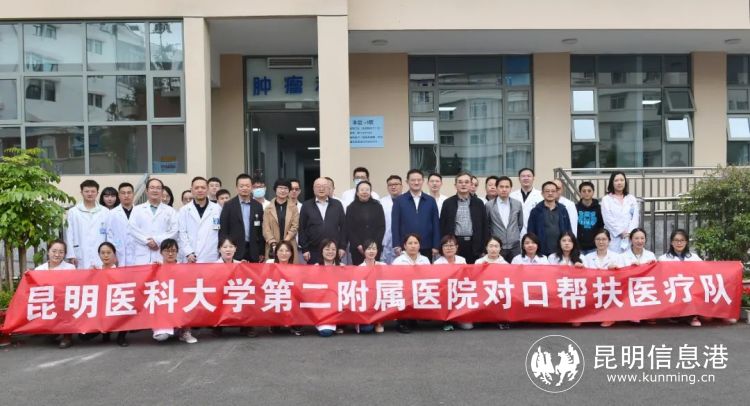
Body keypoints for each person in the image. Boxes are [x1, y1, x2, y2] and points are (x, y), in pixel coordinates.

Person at [658, 229, 715, 327]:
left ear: (686, 242)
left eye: (682, 240)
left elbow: (707, 270)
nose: (679, 243)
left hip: (690, 288)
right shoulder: (663, 258)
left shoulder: (694, 257)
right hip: (673, 289)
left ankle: (691, 316)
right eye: (676, 240)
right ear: (671, 242)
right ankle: (676, 315)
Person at [152, 239, 197, 344]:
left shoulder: (183, 268)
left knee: (189, 301)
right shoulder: (155, 266)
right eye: (167, 251)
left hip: (179, 303)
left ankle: (185, 331)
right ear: (161, 252)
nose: (170, 254)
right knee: (161, 337)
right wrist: (154, 269)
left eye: (173, 251)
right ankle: (173, 330)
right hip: (162, 305)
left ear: (177, 252)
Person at [391, 169, 440, 262]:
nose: (416, 182)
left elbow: (436, 224)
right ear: (407, 182)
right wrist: (396, 244)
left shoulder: (430, 200)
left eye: (419, 180)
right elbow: (395, 224)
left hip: (427, 245)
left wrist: (436, 245)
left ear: (423, 181)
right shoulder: (399, 200)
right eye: (413, 180)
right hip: (406, 245)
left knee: (425, 270)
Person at [34, 240, 76, 348]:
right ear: (48, 251)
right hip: (47, 300)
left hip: (63, 300)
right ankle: (52, 331)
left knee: (66, 303)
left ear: (64, 254)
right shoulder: (39, 269)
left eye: (61, 252)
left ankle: (67, 336)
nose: (57, 255)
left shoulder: (70, 268)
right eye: (54, 251)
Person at [86, 242, 128, 347]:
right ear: (99, 254)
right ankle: (105, 332)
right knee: (83, 337)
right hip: (100, 306)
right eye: (103, 253)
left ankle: (121, 336)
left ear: (114, 254)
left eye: (109, 253)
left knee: (126, 308)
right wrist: (89, 274)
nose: (105, 255)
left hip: (116, 304)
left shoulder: (121, 271)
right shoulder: (95, 270)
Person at [439, 172, 487, 264]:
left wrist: (484, 248)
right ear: (455, 185)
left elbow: (484, 226)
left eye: (466, 182)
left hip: (474, 245)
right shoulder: (448, 203)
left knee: (473, 271)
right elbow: (442, 226)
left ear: (471, 184)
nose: (463, 184)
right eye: (460, 182)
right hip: (454, 244)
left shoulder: (479, 203)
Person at [129, 178, 178, 265]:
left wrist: (157, 241)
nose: (155, 190)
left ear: (162, 191)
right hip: (142, 254)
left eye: (158, 188)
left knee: (162, 273)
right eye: (152, 187)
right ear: (146, 191)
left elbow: (174, 231)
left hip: (161, 253)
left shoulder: (170, 211)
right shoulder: (137, 209)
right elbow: (132, 229)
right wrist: (147, 241)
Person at [219, 174, 265, 263]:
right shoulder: (229, 205)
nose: (244, 188)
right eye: (241, 186)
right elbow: (223, 230)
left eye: (247, 186)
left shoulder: (258, 206)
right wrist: (225, 250)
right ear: (236, 188)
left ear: (252, 187)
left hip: (253, 251)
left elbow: (260, 231)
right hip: (234, 251)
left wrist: (261, 251)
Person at [299, 177, 346, 264]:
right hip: (313, 250)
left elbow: (344, 227)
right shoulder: (306, 205)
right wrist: (304, 249)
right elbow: (302, 228)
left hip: (333, 250)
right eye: (318, 186)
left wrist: (342, 247)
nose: (321, 189)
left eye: (324, 186)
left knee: (333, 272)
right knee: (314, 272)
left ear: (329, 189)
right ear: (313, 189)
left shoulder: (337, 204)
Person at [391, 233, 431, 334]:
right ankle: (401, 322)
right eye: (410, 243)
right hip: (404, 291)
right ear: (405, 246)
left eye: (416, 243)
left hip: (420, 290)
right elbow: (393, 281)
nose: (413, 246)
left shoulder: (425, 260)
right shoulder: (398, 261)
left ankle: (414, 317)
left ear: (419, 245)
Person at [66, 179, 109, 269]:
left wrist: (109, 252)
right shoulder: (73, 212)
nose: (90, 194)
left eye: (93, 191)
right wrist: (71, 254)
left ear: (97, 193)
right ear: (81, 192)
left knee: (101, 275)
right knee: (81, 276)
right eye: (86, 191)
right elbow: (69, 234)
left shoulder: (105, 211)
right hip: (80, 253)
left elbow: (109, 234)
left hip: (101, 253)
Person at [178, 177, 222, 263]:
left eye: (203, 187)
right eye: (196, 188)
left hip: (211, 255)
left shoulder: (217, 209)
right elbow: (182, 233)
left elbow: (218, 232)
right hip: (190, 256)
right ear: (191, 190)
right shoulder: (184, 210)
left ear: (207, 189)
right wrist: (188, 252)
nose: (200, 190)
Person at [583, 229, 621, 328]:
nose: (601, 242)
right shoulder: (587, 257)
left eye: (604, 239)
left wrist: (613, 270)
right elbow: (583, 275)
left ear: (609, 241)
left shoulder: (617, 257)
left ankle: (609, 316)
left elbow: (623, 275)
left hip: (609, 289)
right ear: (594, 241)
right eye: (598, 239)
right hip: (592, 289)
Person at [434, 235, 472, 331]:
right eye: (446, 246)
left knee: (468, 326)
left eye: (451, 245)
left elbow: (467, 278)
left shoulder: (462, 260)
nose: (449, 248)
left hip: (459, 293)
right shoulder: (437, 263)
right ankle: (447, 320)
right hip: (444, 294)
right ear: (442, 248)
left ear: (456, 247)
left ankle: (458, 317)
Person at [526, 181, 572, 256]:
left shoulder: (563, 210)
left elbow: (568, 229)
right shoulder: (536, 211)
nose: (550, 193)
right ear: (542, 193)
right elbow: (531, 232)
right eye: (547, 191)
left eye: (553, 191)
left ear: (556, 193)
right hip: (541, 251)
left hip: (560, 250)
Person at [345, 181, 385, 265]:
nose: (364, 192)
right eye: (362, 190)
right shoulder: (351, 208)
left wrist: (374, 246)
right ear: (357, 192)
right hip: (357, 249)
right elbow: (349, 229)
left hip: (374, 248)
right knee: (359, 271)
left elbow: (381, 227)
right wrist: (358, 245)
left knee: (374, 271)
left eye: (367, 190)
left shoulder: (377, 206)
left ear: (370, 192)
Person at [486, 176, 524, 263]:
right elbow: (488, 225)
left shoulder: (517, 204)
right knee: (498, 269)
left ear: (510, 188)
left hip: (514, 245)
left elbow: (520, 224)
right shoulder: (489, 205)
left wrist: (513, 235)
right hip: (497, 246)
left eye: (507, 187)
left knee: (516, 269)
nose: (504, 189)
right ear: (496, 188)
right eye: (501, 187)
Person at [601, 171, 639, 253]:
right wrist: (620, 232)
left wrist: (630, 232)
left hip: (629, 236)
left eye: (622, 180)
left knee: (628, 258)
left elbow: (635, 218)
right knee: (613, 258)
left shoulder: (631, 198)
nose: (619, 183)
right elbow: (608, 219)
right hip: (613, 237)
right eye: (616, 180)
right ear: (612, 182)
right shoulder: (606, 199)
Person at [262, 179, 300, 261]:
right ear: (275, 189)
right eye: (280, 188)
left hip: (289, 245)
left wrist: (284, 243)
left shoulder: (294, 208)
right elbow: (266, 228)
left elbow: (295, 226)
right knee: (273, 268)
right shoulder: (268, 208)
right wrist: (273, 243)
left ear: (289, 191)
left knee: (290, 268)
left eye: (286, 188)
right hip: (272, 246)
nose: (283, 191)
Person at [315, 239, 342, 337]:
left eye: (333, 249)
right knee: (326, 332)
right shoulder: (315, 268)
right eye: (327, 249)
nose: (330, 252)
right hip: (322, 306)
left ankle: (339, 323)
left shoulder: (342, 267)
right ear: (321, 251)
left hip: (339, 304)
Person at [106, 182, 136, 267]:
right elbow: (110, 235)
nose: (126, 195)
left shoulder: (140, 212)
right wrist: (113, 253)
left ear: (133, 194)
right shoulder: (112, 213)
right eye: (123, 193)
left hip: (137, 254)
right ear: (119, 195)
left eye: (129, 193)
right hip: (119, 253)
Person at [510, 168, 543, 233]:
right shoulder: (512, 196)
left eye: (529, 176)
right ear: (519, 179)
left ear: (533, 178)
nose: (526, 178)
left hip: (535, 233)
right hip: (516, 233)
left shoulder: (541, 196)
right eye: (523, 176)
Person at [575, 181, 605, 255]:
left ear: (593, 192)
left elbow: (601, 225)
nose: (586, 193)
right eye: (584, 191)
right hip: (579, 246)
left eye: (589, 191)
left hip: (594, 246)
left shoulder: (599, 208)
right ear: (580, 193)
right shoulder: (575, 208)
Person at [380, 175, 403, 264]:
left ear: (401, 186)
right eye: (390, 185)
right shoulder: (381, 202)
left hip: (402, 242)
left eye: (396, 184)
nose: (393, 187)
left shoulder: (407, 201)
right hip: (386, 242)